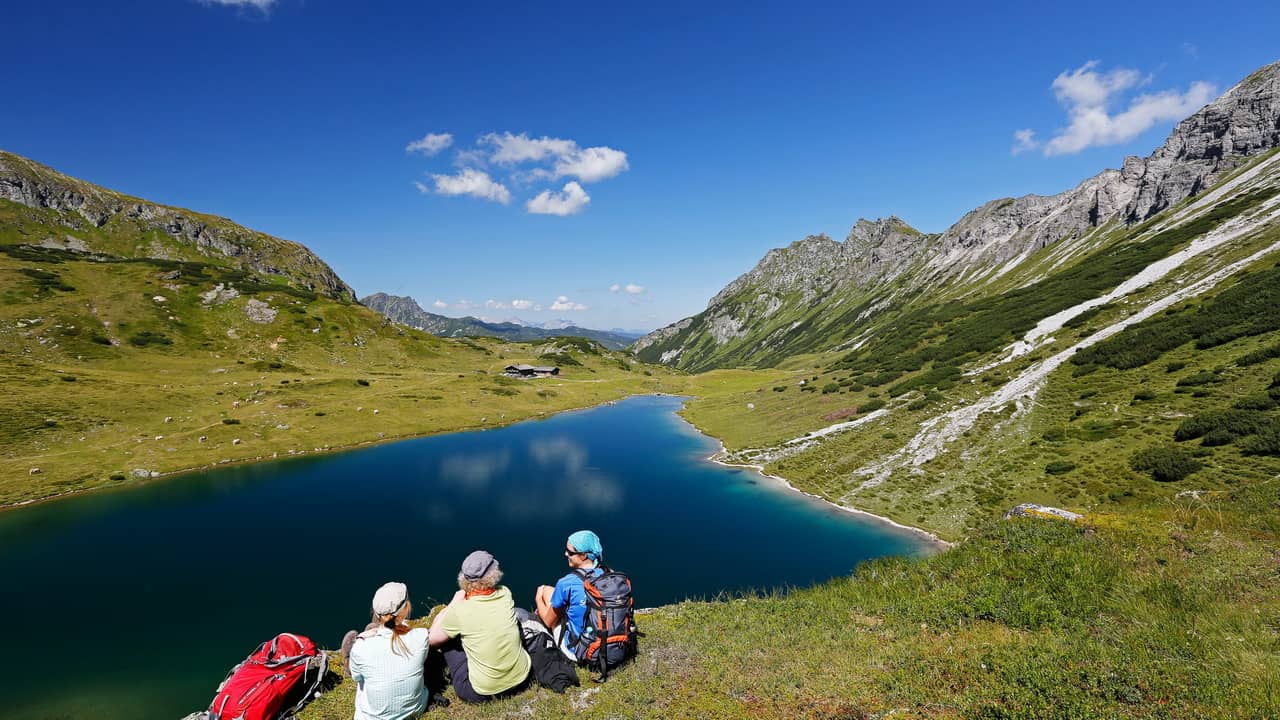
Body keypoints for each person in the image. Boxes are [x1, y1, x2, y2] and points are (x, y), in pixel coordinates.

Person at [427, 550, 532, 703]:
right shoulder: (505, 594)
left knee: (448, 641)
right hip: (522, 678)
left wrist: (453, 603)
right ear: (493, 574)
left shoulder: (460, 611)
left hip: (482, 693)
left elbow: (431, 640)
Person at [346, 581, 443, 720]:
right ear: (406, 608)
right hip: (415, 711)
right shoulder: (420, 637)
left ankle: (348, 662)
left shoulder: (361, 648)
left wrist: (361, 638)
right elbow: (438, 629)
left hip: (371, 717)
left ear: (376, 612)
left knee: (361, 675)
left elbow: (357, 678)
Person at [534, 530, 604, 661]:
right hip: (615, 646)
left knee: (545, 591)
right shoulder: (609, 575)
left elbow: (549, 622)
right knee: (552, 592)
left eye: (570, 552)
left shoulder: (566, 583)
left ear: (583, 556)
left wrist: (538, 598)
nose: (566, 554)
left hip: (581, 650)